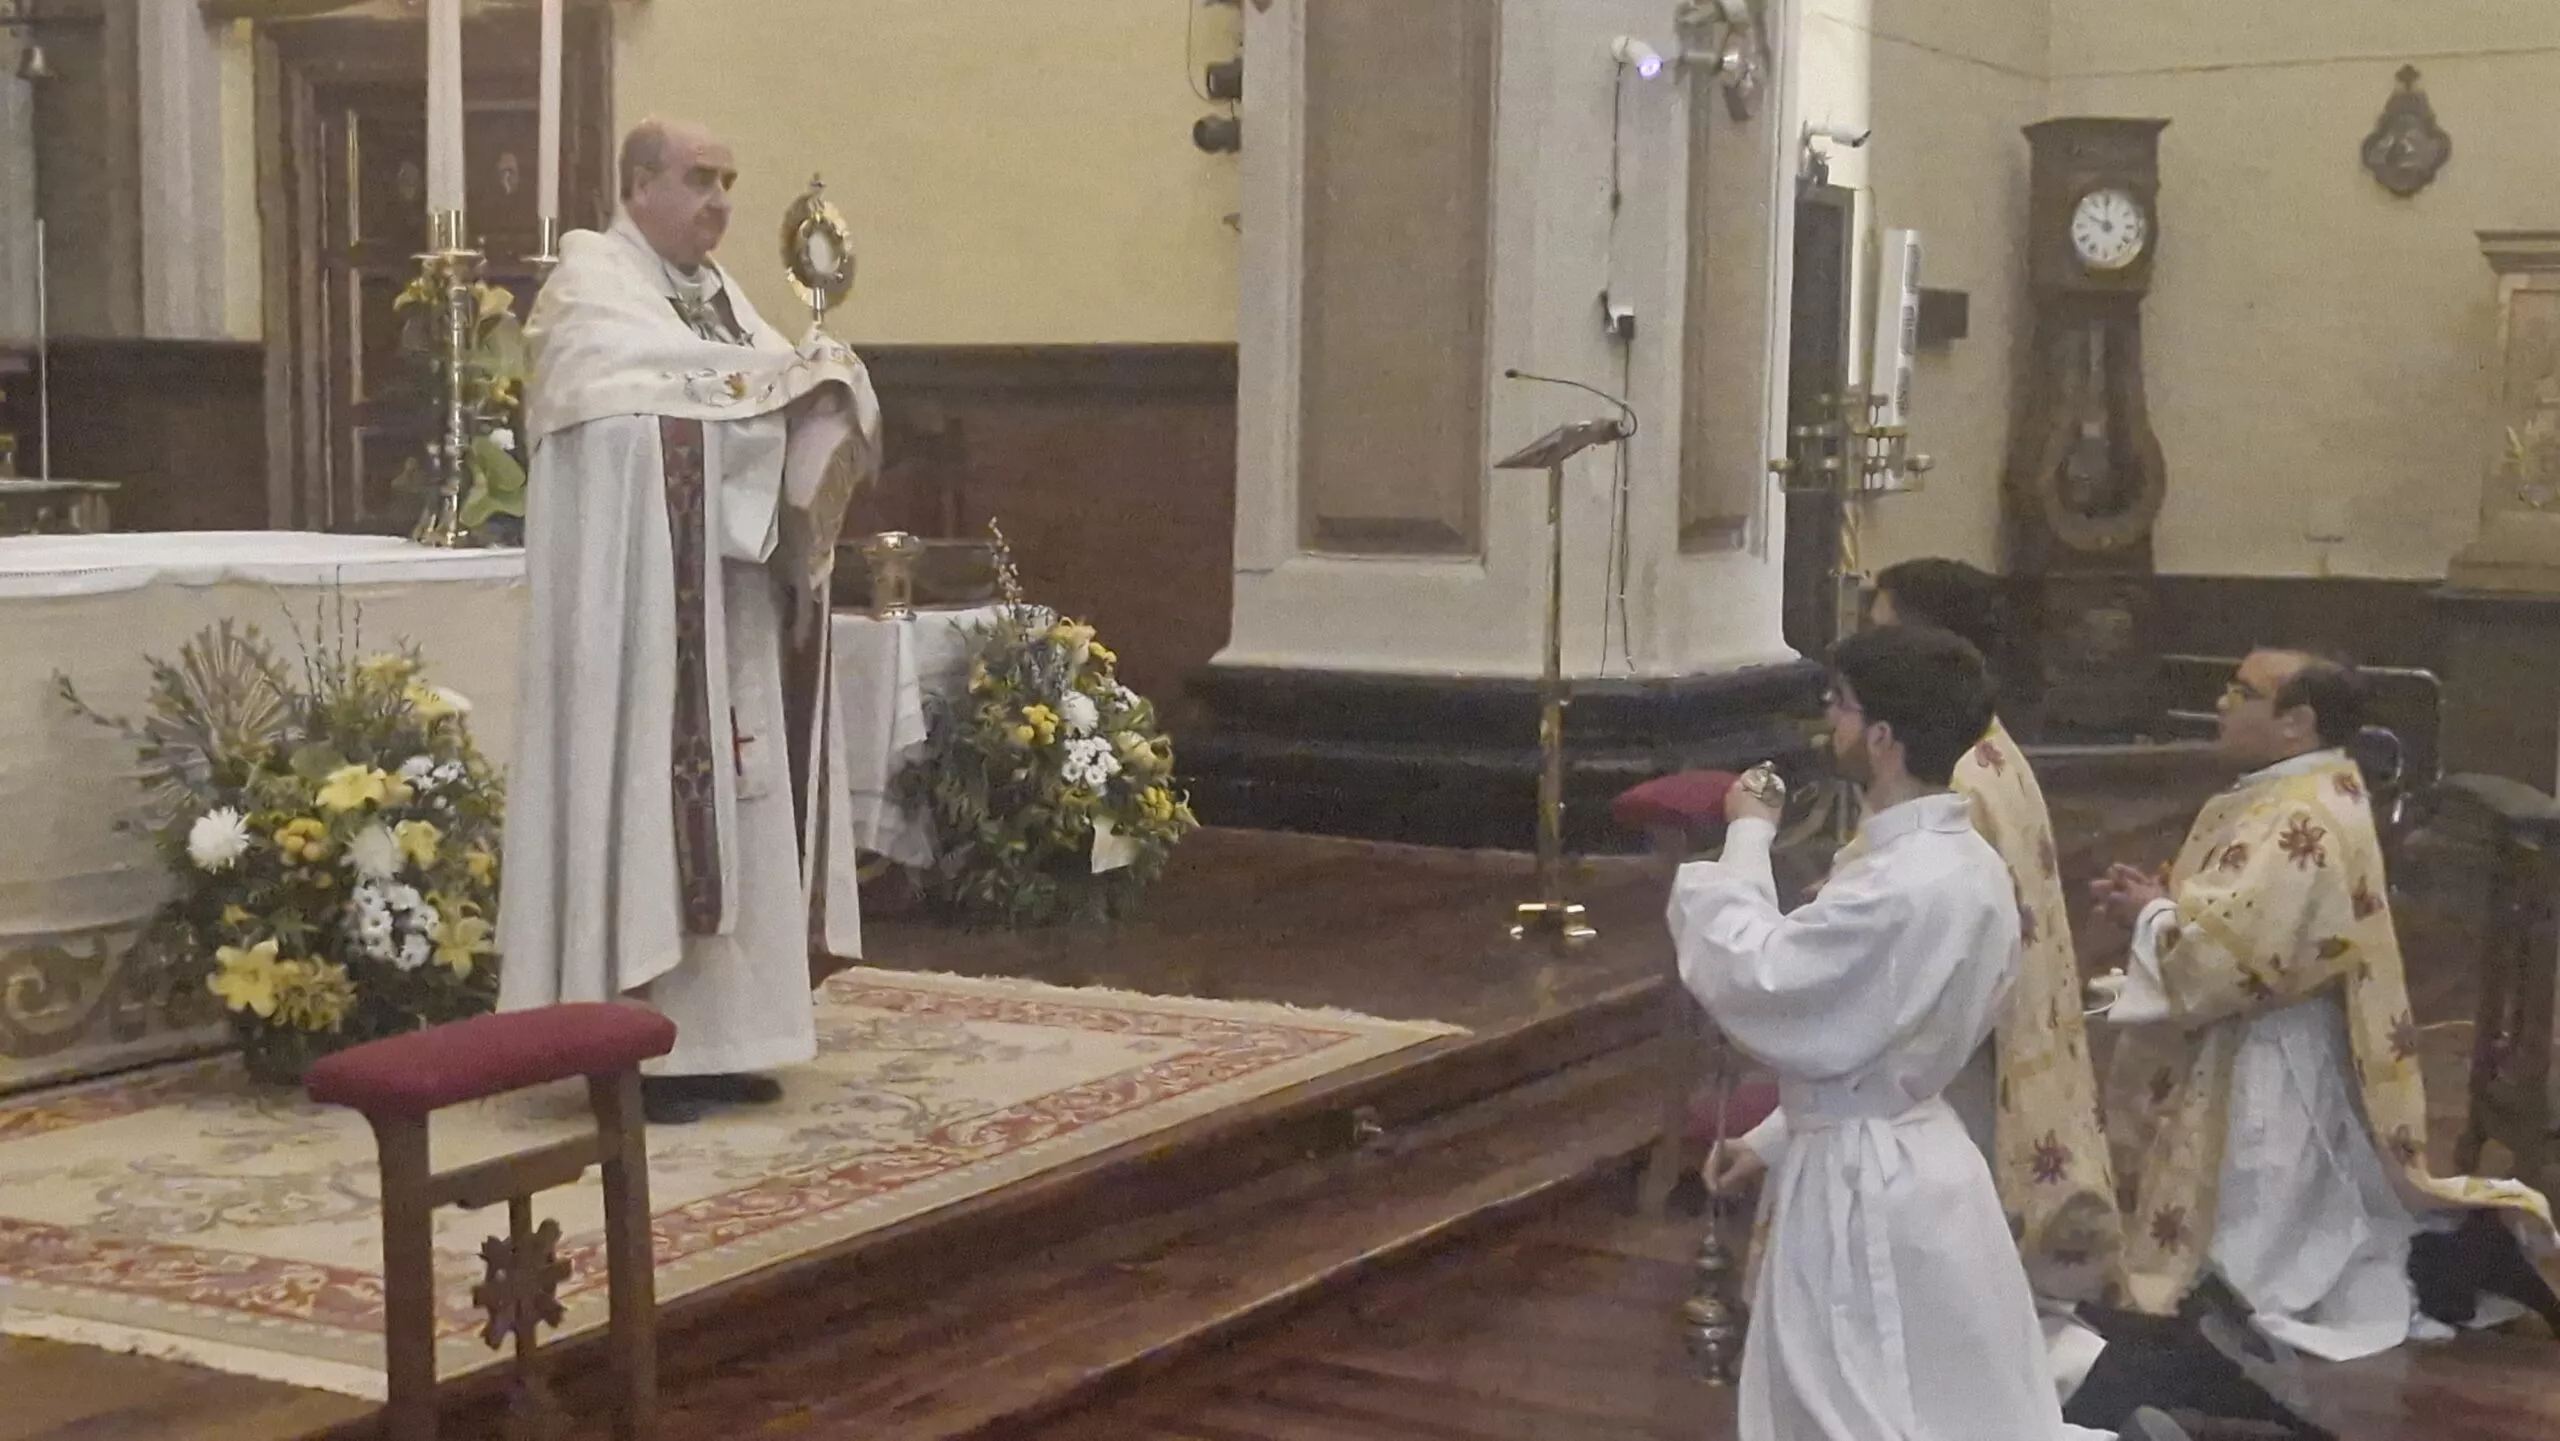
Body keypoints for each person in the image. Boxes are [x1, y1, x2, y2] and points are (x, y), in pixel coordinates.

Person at [1669, 625, 2188, 1441]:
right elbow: (1877, 1045)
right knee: (1956, 1404)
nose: (1827, 723)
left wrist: (1747, 833)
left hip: (1861, 1184)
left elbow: (1763, 976)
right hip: (1928, 1159)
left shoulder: (1898, 884)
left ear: (1881, 736)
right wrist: (1772, 1139)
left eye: (1838, 705)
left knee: (1851, 1404)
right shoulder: (1969, 862)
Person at [497, 118, 880, 1125]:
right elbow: (624, 426)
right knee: (650, 808)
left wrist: (815, 396)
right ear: (637, 186)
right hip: (642, 626)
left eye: (728, 181)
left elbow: (742, 398)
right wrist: (762, 409)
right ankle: (630, 1039)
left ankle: (719, 1040)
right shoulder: (591, 293)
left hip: (729, 605)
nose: (719, 200)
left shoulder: (720, 303)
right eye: (698, 179)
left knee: (745, 806)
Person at [2090, 649, 2557, 1359]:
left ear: (2297, 722)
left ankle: (2249, 1307)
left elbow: (2238, 958)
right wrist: (2165, 902)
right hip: (2284, 1034)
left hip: (2268, 1046)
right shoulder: (2309, 786)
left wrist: (2152, 914)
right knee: (2302, 1200)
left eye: (2242, 692)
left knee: (2259, 1212)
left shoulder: (2298, 811)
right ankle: (2449, 1261)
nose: (2222, 703)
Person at [1718, 559, 2123, 1312]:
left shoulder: (1949, 799)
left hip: (1911, 1120)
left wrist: (1751, 849)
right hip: (1943, 1091)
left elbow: (1832, 1002)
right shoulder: (1988, 752)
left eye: (1881, 632)